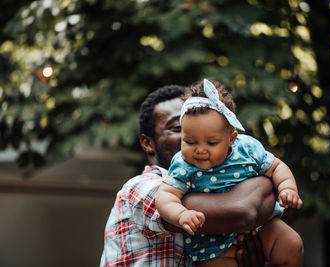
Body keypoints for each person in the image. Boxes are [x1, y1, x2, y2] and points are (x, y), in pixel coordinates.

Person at [100, 85, 282, 267]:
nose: (198, 136)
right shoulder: (140, 188)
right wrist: (268, 181)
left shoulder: (211, 182)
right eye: (179, 128)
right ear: (148, 143)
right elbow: (241, 211)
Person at [156, 79, 304, 267]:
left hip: (262, 227)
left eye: (211, 143)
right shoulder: (183, 165)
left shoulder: (247, 149)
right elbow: (166, 195)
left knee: (292, 244)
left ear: (231, 139)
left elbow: (276, 167)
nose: (200, 150)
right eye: (190, 142)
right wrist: (181, 215)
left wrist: (287, 188)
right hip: (211, 245)